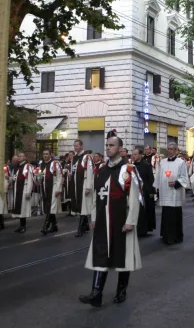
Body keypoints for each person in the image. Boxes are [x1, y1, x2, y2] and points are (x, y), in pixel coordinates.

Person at [79, 130, 143, 307]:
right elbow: (94, 195)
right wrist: (92, 217)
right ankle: (96, 293)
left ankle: (121, 290)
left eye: (112, 145)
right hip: (102, 221)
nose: (108, 148)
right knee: (100, 256)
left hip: (121, 220)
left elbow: (133, 197)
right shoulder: (102, 169)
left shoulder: (128, 169)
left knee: (123, 258)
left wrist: (131, 221)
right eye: (106, 145)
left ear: (120, 148)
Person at [155, 143, 189, 244]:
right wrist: (156, 188)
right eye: (168, 149)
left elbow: (184, 177)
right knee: (166, 214)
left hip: (175, 192)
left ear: (176, 150)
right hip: (165, 191)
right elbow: (158, 176)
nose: (170, 151)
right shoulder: (162, 162)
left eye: (172, 149)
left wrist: (177, 182)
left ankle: (176, 236)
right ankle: (165, 235)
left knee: (174, 215)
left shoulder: (181, 162)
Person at [69, 140, 94, 237]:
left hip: (83, 183)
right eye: (74, 146)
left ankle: (81, 228)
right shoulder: (74, 158)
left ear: (81, 146)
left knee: (83, 206)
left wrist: (88, 186)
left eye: (77, 146)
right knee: (79, 205)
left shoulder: (87, 157)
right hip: (76, 184)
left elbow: (90, 172)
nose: (75, 148)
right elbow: (72, 170)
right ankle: (86, 225)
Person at [131, 147, 156, 237]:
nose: (133, 156)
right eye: (133, 154)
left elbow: (150, 179)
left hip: (144, 191)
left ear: (140, 155)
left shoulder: (146, 165)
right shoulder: (132, 166)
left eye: (135, 154)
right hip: (134, 191)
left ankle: (143, 229)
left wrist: (150, 192)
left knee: (143, 211)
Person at [38, 149, 63, 235]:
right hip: (45, 188)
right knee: (48, 206)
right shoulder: (41, 164)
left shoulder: (55, 163)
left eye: (47, 154)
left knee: (50, 207)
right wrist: (38, 177)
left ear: (50, 155)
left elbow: (60, 176)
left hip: (53, 187)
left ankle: (45, 226)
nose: (45, 155)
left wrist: (58, 189)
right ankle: (54, 225)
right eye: (44, 154)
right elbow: (39, 175)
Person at [10, 153, 33, 233]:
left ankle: (23, 226)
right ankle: (20, 226)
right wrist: (9, 179)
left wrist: (28, 192)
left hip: (24, 190)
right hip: (17, 190)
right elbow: (13, 178)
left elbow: (30, 179)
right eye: (18, 156)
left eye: (21, 156)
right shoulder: (16, 167)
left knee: (23, 209)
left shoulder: (27, 166)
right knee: (19, 210)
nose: (19, 157)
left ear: (25, 157)